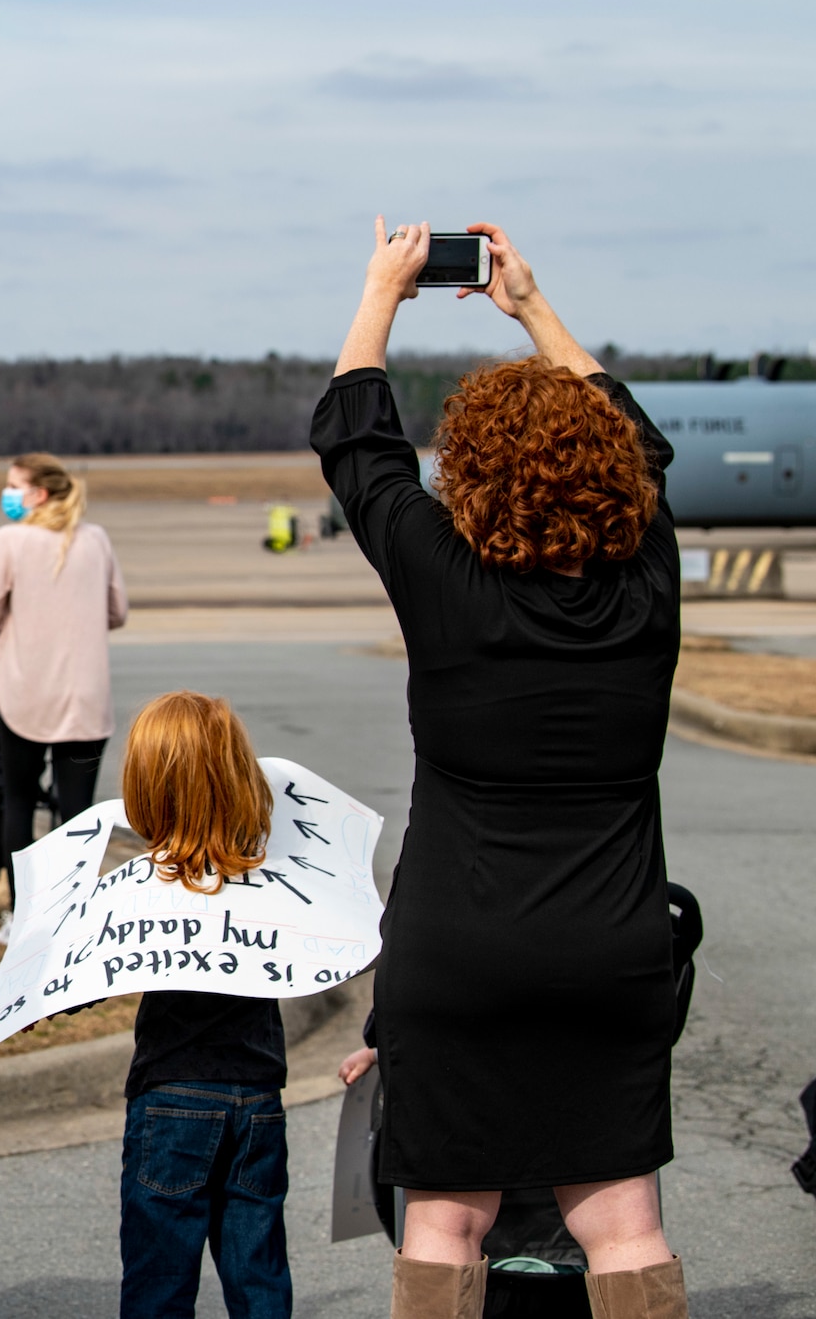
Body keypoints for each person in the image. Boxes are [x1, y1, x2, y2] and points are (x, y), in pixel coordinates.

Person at [313, 220, 686, 1317]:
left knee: (444, 1223)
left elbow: (357, 442)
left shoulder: (444, 581)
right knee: (622, 1226)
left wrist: (380, 291)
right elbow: (642, 443)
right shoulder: (646, 583)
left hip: (457, 946)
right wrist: (529, 305)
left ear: (468, 473)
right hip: (610, 944)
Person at [114, 690, 290, 1318]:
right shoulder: (271, 878)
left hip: (172, 1097)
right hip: (258, 1099)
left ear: (148, 788)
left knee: (159, 1283)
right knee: (259, 1275)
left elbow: (87, 974)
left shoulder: (140, 887)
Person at [0, 452, 127, 938]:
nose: (9, 494)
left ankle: (23, 915)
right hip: (85, 698)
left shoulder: (11, 540)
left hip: (25, 695)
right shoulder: (95, 539)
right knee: (77, 812)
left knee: (18, 802)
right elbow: (117, 611)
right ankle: (76, 913)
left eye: (14, 485)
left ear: (39, 493)